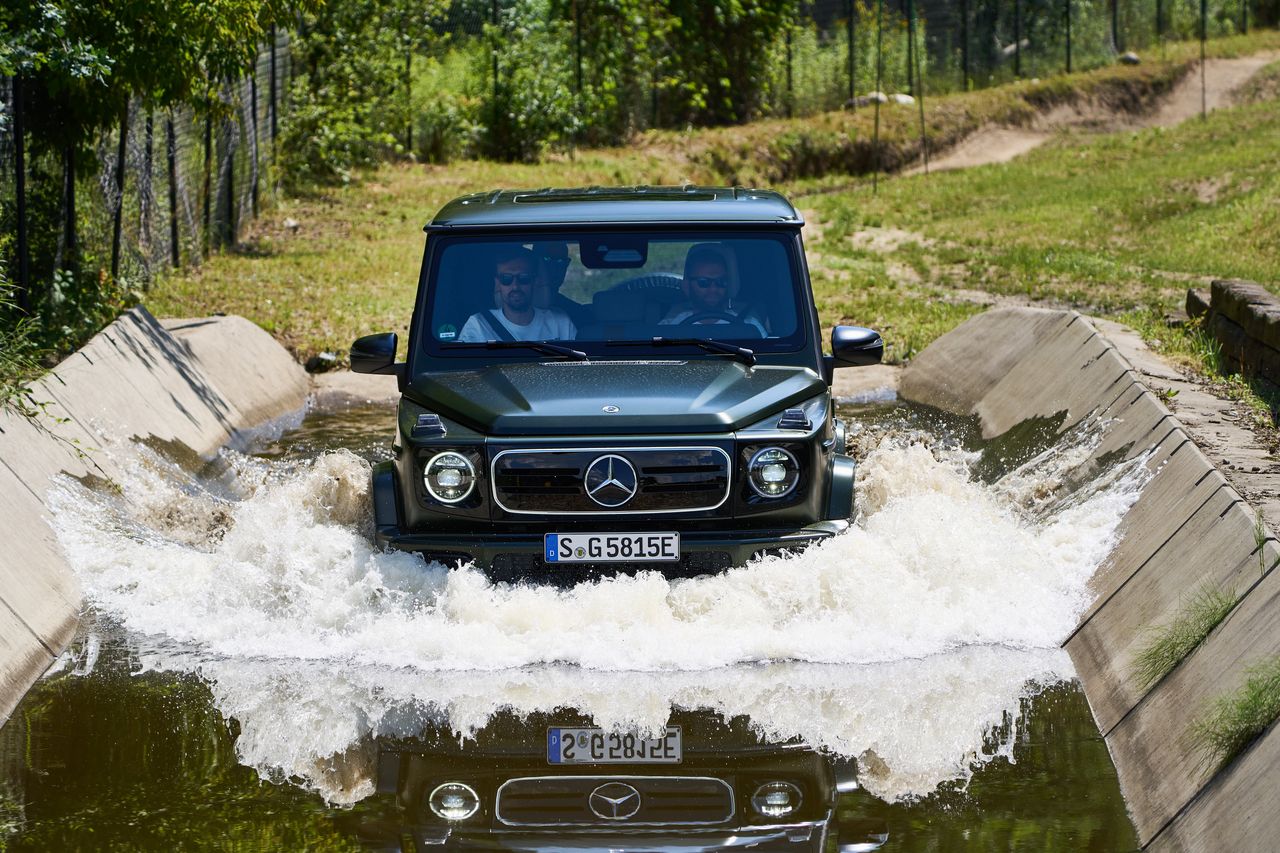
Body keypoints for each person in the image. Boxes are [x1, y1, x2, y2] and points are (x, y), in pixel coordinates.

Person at [459, 246, 577, 342]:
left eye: (524, 278)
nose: (515, 286)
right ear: (497, 283)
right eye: (506, 279)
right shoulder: (479, 325)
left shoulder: (560, 323)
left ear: (535, 281)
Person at [659, 244, 766, 336]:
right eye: (703, 282)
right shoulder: (670, 327)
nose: (713, 289)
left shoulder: (749, 326)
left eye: (721, 282)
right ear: (687, 286)